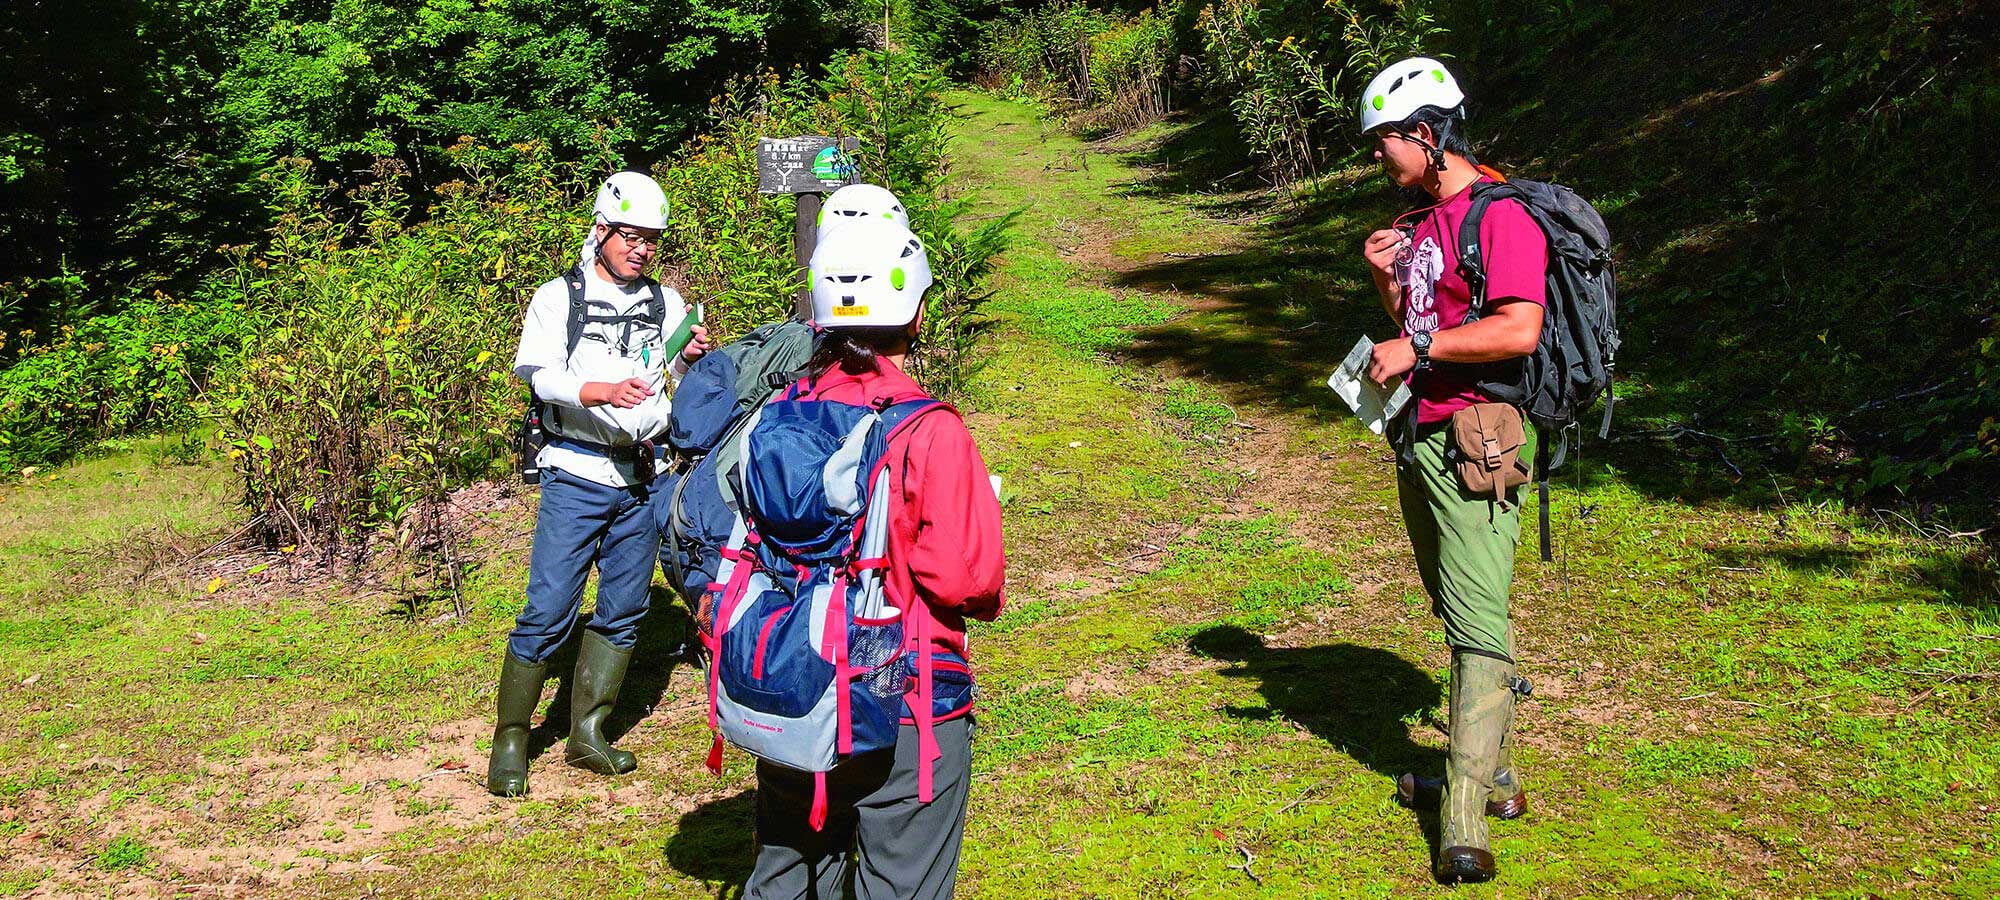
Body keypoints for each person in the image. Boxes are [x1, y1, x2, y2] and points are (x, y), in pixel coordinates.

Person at [735, 218, 1006, 900]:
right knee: (903, 879)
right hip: (906, 693)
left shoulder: (775, 414)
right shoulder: (930, 429)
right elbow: (965, 579)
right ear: (916, 312)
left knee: (788, 867)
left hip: (794, 681)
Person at [1356, 57, 1547, 884]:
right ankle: (1494, 772)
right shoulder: (1423, 223)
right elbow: (1421, 324)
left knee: (1475, 618)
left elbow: (1518, 330)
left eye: (1382, 142)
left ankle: (1462, 812)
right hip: (1422, 437)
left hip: (1482, 438)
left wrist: (1421, 344)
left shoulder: (1503, 217)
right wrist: (1385, 283)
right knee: (1457, 601)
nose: (1375, 158)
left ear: (1426, 135)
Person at [487, 170, 713, 797]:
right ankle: (512, 739)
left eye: (651, 240)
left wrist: (686, 357)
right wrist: (600, 391)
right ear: (602, 231)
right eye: (630, 237)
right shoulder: (558, 298)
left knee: (625, 608)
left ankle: (589, 732)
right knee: (550, 608)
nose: (641, 249)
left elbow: (658, 374)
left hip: (645, 474)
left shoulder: (665, 300)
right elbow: (538, 377)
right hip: (577, 474)